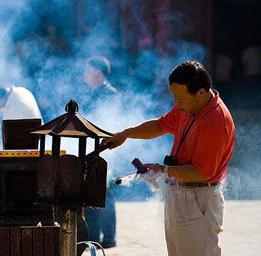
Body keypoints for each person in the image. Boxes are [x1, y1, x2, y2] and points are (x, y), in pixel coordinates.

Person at [102, 61, 235, 256]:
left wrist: (163, 170)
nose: (176, 103)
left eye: (180, 98)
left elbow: (201, 173)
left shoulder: (214, 121)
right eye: (174, 96)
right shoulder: (187, 108)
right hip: (179, 194)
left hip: (200, 199)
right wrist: (126, 133)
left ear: (200, 92)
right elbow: (159, 125)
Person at [82, 56, 118, 249]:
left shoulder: (109, 94)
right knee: (93, 194)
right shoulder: (92, 93)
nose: (84, 74)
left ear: (98, 72)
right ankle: (95, 236)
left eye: (88, 70)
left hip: (105, 152)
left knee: (104, 194)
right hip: (92, 149)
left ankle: (108, 237)